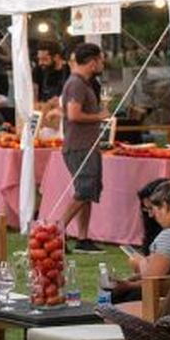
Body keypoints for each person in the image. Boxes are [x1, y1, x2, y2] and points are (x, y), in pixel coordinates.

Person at [58, 41, 108, 254]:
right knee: (84, 189)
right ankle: (57, 231)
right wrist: (100, 116)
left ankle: (83, 237)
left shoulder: (83, 83)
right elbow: (73, 114)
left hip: (87, 145)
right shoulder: (77, 84)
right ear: (91, 62)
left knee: (88, 191)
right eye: (100, 60)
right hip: (79, 146)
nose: (103, 63)